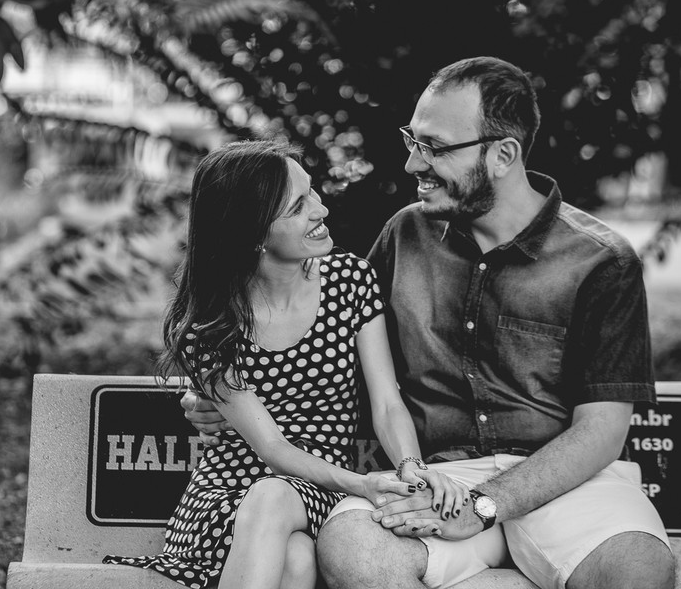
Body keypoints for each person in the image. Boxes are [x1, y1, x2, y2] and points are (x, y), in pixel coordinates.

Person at [184, 58, 677, 589]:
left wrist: (486, 504)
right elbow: (324, 331)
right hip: (433, 479)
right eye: (412, 140)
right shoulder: (405, 236)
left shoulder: (601, 261)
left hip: (564, 480)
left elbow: (602, 431)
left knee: (637, 569)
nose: (411, 163)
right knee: (353, 548)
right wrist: (219, 393)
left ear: (502, 155)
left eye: (435, 147)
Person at [104, 140, 467, 589]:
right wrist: (363, 485)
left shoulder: (351, 281)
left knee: (282, 516)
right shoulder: (211, 325)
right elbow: (271, 448)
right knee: (294, 556)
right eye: (298, 207)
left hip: (320, 488)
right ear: (253, 234)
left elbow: (387, 401)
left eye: (311, 191)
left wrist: (410, 465)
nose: (320, 210)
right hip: (227, 496)